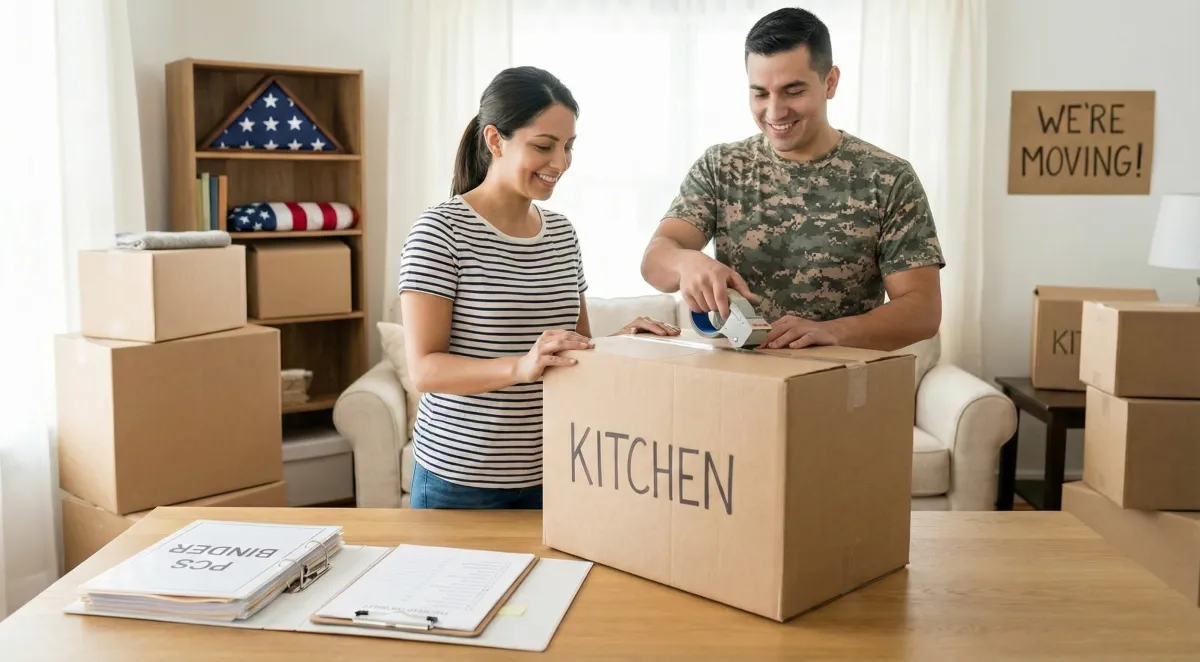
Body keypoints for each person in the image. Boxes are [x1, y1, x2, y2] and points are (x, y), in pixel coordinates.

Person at [397, 66, 679, 510]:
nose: (561, 163)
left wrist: (621, 343)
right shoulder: (440, 230)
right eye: (544, 146)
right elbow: (425, 371)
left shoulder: (562, 233)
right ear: (495, 140)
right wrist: (519, 367)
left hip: (555, 470)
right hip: (461, 479)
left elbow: (573, 347)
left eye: (568, 147)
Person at [640, 7, 945, 352]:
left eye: (793, 91)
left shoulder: (888, 179)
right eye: (760, 93)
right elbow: (654, 261)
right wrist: (686, 262)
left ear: (830, 82)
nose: (774, 111)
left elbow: (923, 311)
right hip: (737, 386)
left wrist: (833, 331)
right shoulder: (721, 166)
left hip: (838, 386)